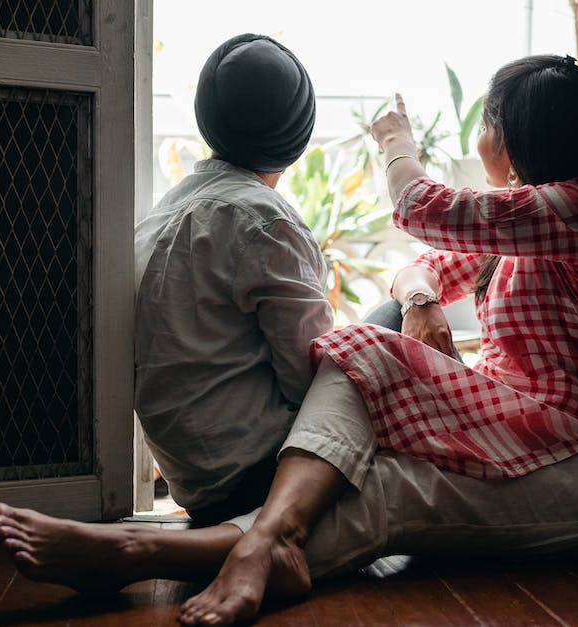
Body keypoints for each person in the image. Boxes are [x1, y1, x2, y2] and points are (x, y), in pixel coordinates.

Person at [0, 54, 578, 627]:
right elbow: (418, 263)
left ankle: (148, 552)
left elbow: (423, 209)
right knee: (368, 363)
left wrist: (396, 141)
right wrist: (420, 300)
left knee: (385, 479)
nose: (482, 137)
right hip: (517, 438)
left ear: (518, 140)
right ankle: (236, 547)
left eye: (488, 123)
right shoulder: (520, 230)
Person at [130, 33, 331, 524]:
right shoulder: (266, 222)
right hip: (265, 477)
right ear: (296, 137)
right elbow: (312, 380)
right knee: (386, 330)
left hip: (196, 486)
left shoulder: (163, 213)